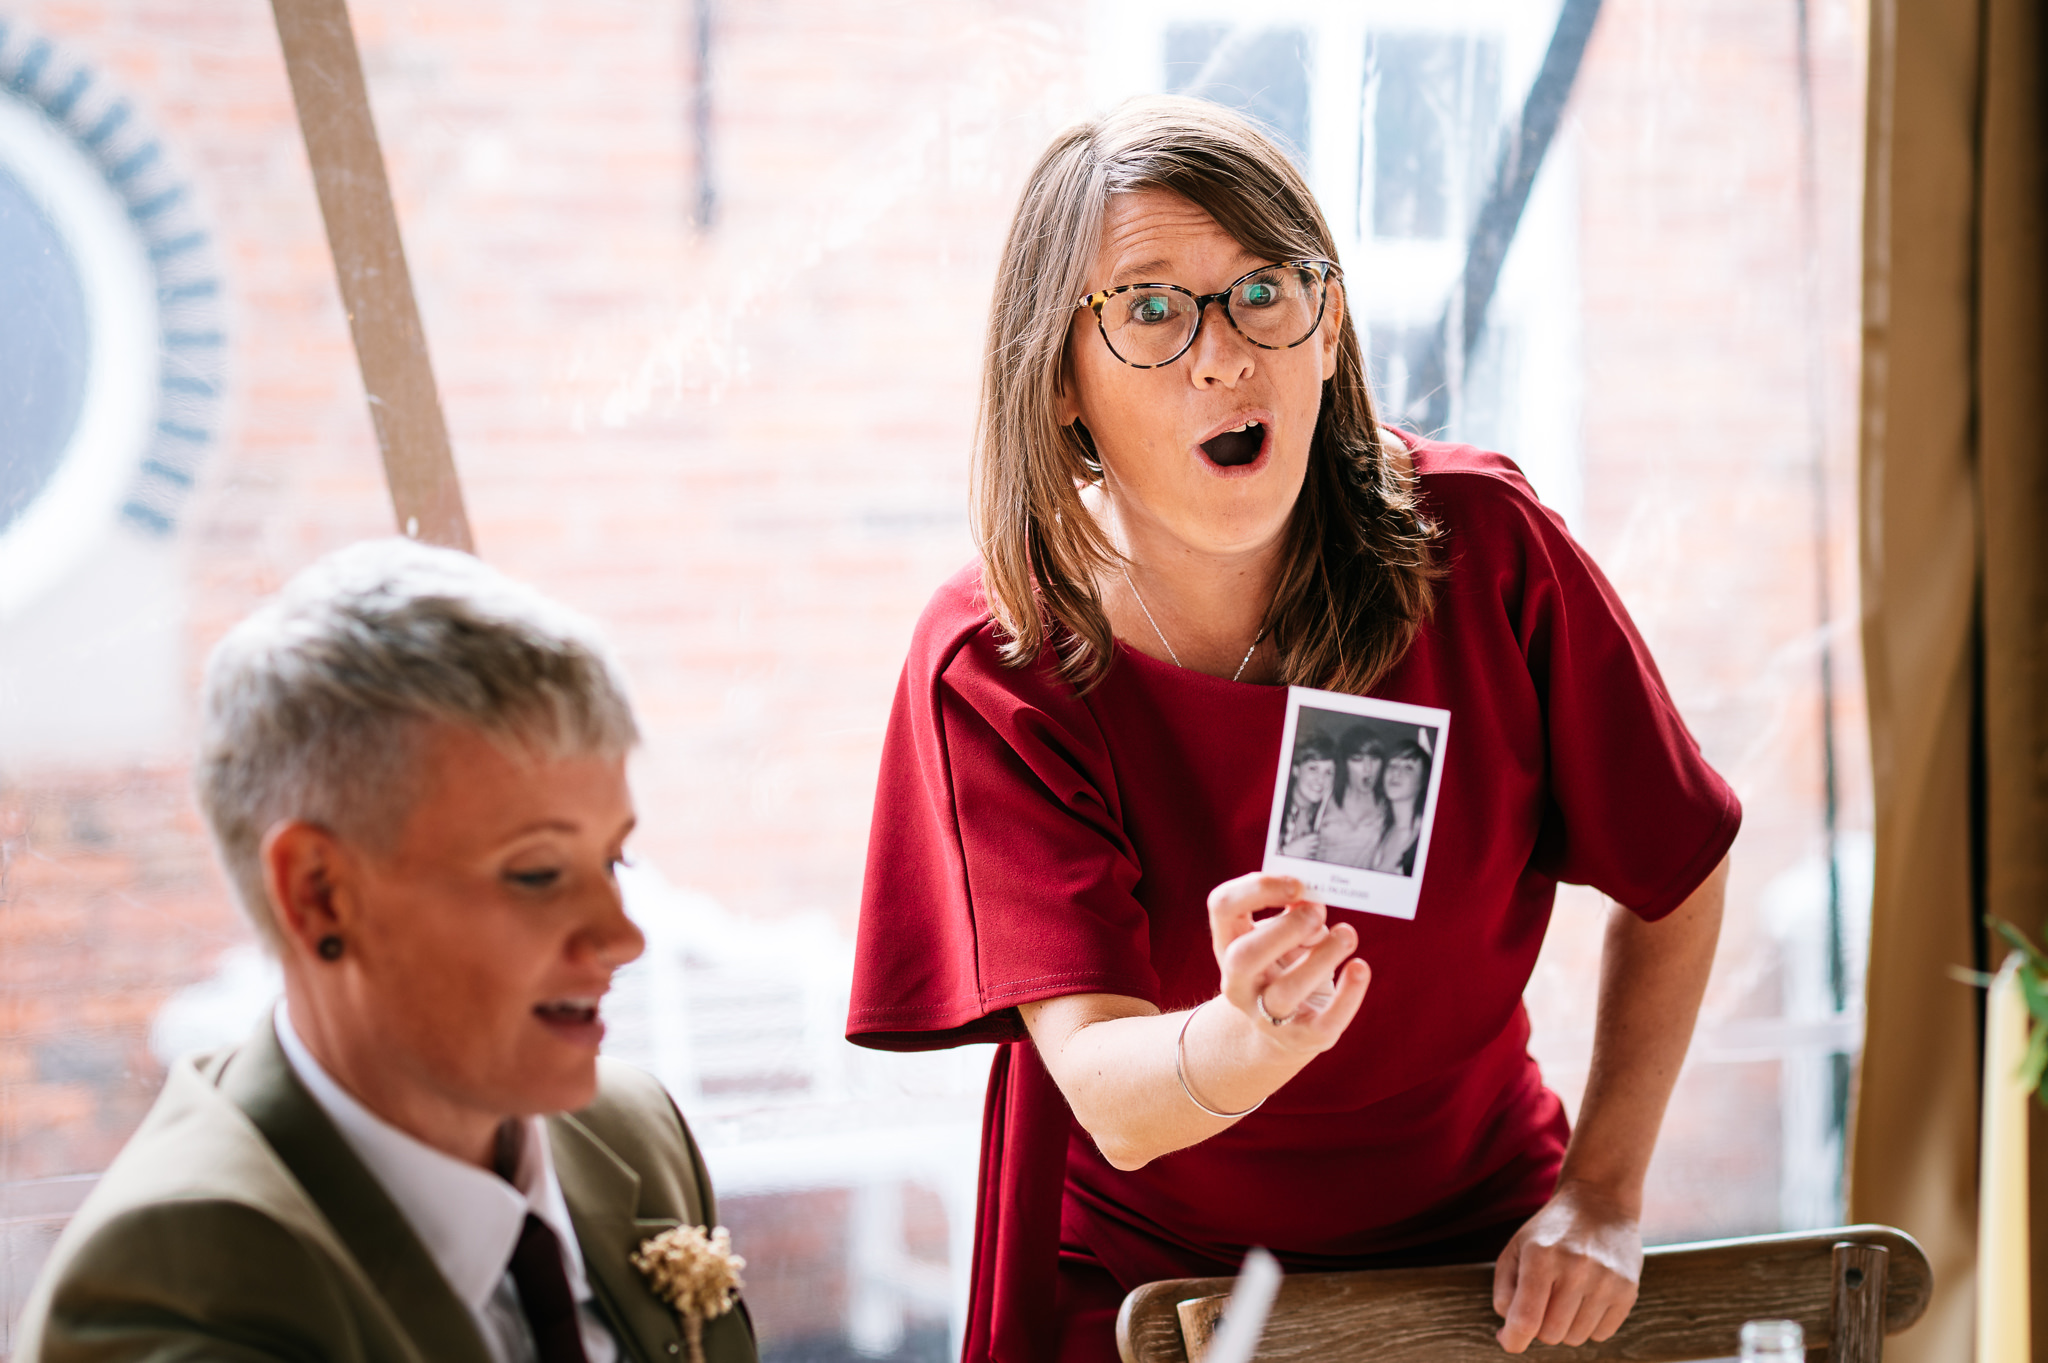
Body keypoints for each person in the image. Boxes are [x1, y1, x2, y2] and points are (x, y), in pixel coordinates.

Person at [848, 95, 1736, 1363]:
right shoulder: (1000, 657)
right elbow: (1112, 1097)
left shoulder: (1483, 547)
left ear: (1327, 332)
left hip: (1484, 1253)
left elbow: (1678, 870)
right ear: (1056, 384)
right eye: (1150, 309)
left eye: (1266, 289)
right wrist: (1243, 1037)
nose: (1225, 354)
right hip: (1148, 1289)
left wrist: (1602, 1194)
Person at [16, 540, 758, 1363]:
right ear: (319, 893)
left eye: (613, 859)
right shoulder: (171, 1299)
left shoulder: (631, 1133)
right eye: (538, 872)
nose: (624, 937)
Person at [1314, 728, 1390, 868]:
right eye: (1357, 760)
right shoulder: (1324, 796)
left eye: (1374, 759)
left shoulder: (1388, 806)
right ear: (1344, 764)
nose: (1368, 769)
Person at [1367, 739, 1432, 876]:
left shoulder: (1424, 840)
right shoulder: (1380, 827)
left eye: (1408, 768)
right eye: (1392, 765)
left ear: (1422, 781)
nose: (1396, 773)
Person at [1276, 732, 1337, 858]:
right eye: (1313, 768)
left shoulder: (1324, 818)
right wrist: (1286, 853)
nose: (1321, 780)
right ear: (1296, 770)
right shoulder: (1275, 810)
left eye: (1328, 773)